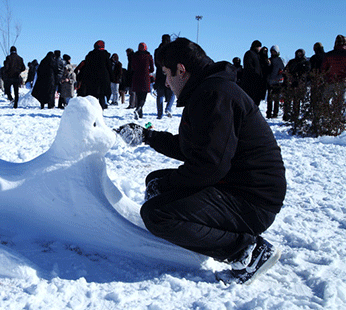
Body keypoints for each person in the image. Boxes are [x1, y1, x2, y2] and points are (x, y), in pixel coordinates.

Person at [115, 37, 286, 285]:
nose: (165, 81)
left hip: (253, 200)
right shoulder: (208, 91)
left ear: (181, 70)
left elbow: (210, 166)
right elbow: (193, 149)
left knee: (156, 214)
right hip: (238, 185)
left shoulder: (216, 95)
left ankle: (246, 251)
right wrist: (148, 136)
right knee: (156, 180)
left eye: (166, 73)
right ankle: (199, 239)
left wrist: (168, 186)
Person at [77, 40, 112, 109]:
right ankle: (102, 107)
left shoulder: (90, 55)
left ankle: (92, 109)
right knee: (102, 95)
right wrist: (111, 77)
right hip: (103, 79)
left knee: (93, 96)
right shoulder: (105, 55)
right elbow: (109, 68)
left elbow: (86, 67)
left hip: (91, 79)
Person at [283, 49, 311, 121]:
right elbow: (286, 70)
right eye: (298, 53)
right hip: (290, 84)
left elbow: (307, 74)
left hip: (300, 85)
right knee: (288, 101)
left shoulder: (305, 62)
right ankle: (286, 115)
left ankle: (295, 116)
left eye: (300, 53)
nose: (299, 55)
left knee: (297, 102)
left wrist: (300, 80)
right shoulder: (292, 62)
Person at [131, 42, 154, 119]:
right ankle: (139, 108)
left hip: (136, 77)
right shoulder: (148, 56)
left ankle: (139, 113)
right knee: (143, 97)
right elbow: (152, 69)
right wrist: (148, 71)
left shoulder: (135, 56)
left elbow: (132, 67)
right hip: (145, 78)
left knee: (138, 95)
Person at [154, 34, 174, 118]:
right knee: (172, 93)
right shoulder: (172, 50)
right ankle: (168, 108)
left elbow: (156, 63)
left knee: (160, 95)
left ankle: (160, 114)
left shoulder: (157, 50)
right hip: (169, 73)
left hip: (159, 74)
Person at [241, 40, 265, 106]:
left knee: (256, 101)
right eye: (259, 47)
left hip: (257, 82)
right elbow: (249, 67)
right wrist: (255, 75)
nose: (260, 49)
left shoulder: (258, 56)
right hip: (250, 82)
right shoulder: (249, 54)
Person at [266, 45, 285, 119]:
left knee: (276, 99)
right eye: (272, 51)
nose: (273, 53)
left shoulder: (280, 60)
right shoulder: (269, 60)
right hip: (270, 82)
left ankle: (275, 113)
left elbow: (282, 70)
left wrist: (280, 78)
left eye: (274, 51)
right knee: (269, 99)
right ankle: (269, 113)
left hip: (277, 82)